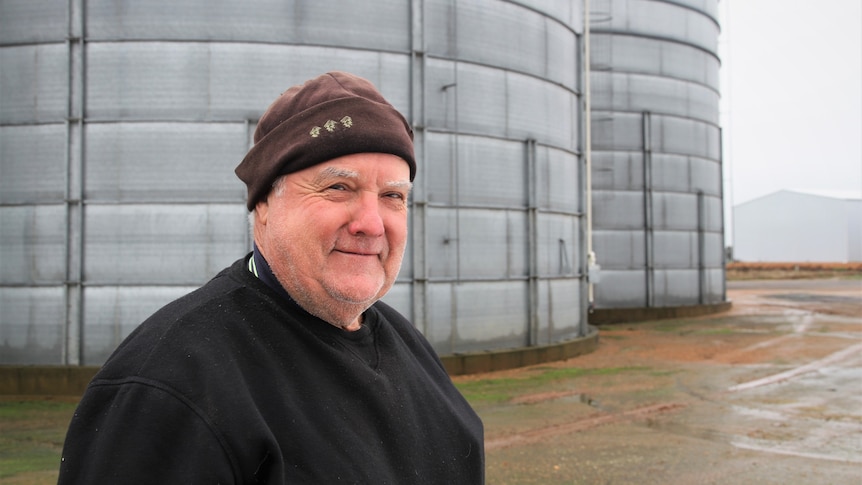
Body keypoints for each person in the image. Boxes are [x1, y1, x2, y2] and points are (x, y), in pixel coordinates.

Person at [58, 71, 485, 484]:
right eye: (338, 188)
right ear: (263, 204)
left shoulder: (407, 344)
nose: (372, 225)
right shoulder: (169, 389)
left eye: (392, 196)